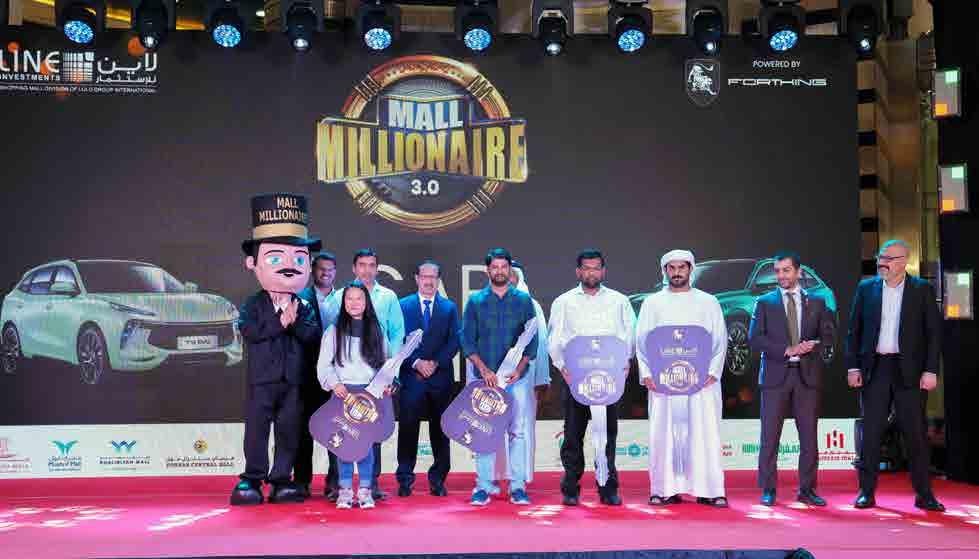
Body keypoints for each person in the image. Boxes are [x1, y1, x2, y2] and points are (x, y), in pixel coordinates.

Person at [232, 193, 322, 506]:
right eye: (274, 258)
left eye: (298, 259)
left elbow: (313, 337)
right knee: (257, 432)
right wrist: (280, 322)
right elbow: (249, 332)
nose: (288, 267)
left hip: (293, 381)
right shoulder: (253, 304)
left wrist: (294, 323)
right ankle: (253, 478)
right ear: (253, 263)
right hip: (262, 380)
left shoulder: (304, 305)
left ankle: (282, 479)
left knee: (289, 432)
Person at [845, 240, 944, 511]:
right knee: (871, 432)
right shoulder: (866, 289)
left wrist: (931, 370)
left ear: (903, 261)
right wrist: (853, 367)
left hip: (909, 370)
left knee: (915, 434)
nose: (882, 262)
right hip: (875, 368)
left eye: (888, 258)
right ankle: (866, 492)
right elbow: (854, 331)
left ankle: (925, 495)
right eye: (880, 257)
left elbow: (934, 334)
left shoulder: (921, 290)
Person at [636, 249, 728, 508]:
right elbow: (641, 342)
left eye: (682, 267)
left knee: (704, 433)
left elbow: (720, 340)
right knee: (663, 435)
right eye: (672, 268)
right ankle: (663, 489)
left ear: (691, 269)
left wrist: (712, 372)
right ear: (665, 271)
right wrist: (647, 374)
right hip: (663, 383)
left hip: (702, 384)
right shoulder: (652, 303)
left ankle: (709, 490)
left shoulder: (708, 302)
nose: (677, 273)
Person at [748, 251, 836, 507]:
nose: (781, 275)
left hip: (807, 378)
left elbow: (829, 336)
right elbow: (755, 339)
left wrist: (813, 344)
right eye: (777, 271)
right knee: (769, 437)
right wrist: (787, 349)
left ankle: (807, 490)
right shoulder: (764, 302)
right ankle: (768, 489)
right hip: (775, 378)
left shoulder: (817, 302)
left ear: (798, 272)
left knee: (808, 438)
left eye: (786, 270)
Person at [548, 249, 635, 506]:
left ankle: (608, 488)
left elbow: (630, 334)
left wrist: (626, 362)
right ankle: (570, 488)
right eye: (586, 268)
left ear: (603, 271)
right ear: (578, 272)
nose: (591, 273)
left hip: (609, 380)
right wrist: (562, 366)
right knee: (573, 436)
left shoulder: (619, 301)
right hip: (575, 378)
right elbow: (554, 338)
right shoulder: (564, 302)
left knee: (606, 435)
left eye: (596, 268)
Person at [461, 248, 539, 506]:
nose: (499, 271)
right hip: (485, 381)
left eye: (504, 267)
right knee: (485, 433)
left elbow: (532, 340)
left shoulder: (523, 301)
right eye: (494, 267)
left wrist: (520, 368)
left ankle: (517, 487)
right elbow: (467, 340)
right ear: (488, 271)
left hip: (516, 380)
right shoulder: (475, 301)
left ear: (510, 270)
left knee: (517, 432)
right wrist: (484, 370)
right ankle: (483, 486)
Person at [317, 281, 394, 509]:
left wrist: (385, 384)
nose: (354, 303)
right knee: (344, 444)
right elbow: (324, 365)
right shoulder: (334, 331)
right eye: (349, 298)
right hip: (343, 396)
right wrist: (335, 384)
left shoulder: (377, 330)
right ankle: (344, 490)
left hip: (368, 397)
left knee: (366, 446)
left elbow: (386, 364)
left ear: (366, 302)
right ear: (343, 303)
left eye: (358, 298)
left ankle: (365, 490)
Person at [341, 248, 406, 500]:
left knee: (372, 429)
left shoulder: (388, 297)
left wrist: (391, 371)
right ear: (354, 268)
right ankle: (339, 484)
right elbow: (333, 332)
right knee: (342, 429)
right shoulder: (340, 296)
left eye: (371, 265)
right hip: (346, 378)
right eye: (362, 265)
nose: (366, 270)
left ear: (377, 269)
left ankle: (371, 484)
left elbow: (397, 334)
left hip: (377, 375)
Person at [395, 260, 460, 497]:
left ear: (438, 280)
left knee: (441, 430)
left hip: (440, 378)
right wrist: (415, 362)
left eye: (433, 277)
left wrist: (435, 363)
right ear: (417, 278)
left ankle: (438, 479)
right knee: (408, 428)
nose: (429, 281)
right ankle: (405, 478)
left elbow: (454, 340)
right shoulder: (403, 306)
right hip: (411, 377)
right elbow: (396, 338)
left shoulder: (449, 308)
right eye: (425, 276)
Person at [491, 260, 550, 487]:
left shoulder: (531, 304)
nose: (508, 278)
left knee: (521, 426)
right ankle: (496, 475)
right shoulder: (486, 302)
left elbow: (541, 344)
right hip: (493, 377)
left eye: (512, 275)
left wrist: (541, 379)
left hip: (524, 376)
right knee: (494, 425)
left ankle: (520, 476)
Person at [296, 252, 342, 500]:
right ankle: (302, 482)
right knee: (303, 432)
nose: (326, 273)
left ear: (336, 272)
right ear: (313, 271)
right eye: (321, 269)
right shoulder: (300, 297)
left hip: (337, 377)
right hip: (306, 375)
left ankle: (335, 482)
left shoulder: (345, 298)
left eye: (330, 269)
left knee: (336, 430)